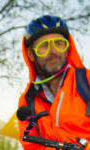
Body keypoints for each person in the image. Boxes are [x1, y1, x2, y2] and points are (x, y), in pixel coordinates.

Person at [18, 15, 90, 149]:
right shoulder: (28, 100)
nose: (53, 51)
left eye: (59, 43)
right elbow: (30, 146)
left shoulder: (87, 81)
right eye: (44, 45)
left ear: (68, 48)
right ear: (31, 54)